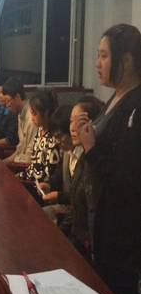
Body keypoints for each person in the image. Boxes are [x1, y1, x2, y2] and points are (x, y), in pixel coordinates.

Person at [77, 24, 141, 294]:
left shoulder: (135, 107)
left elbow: (128, 182)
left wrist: (91, 149)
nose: (97, 63)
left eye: (103, 56)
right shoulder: (115, 99)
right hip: (99, 230)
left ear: (127, 61)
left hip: (121, 238)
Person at [40, 98, 103, 256]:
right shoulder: (73, 153)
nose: (73, 128)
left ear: (94, 125)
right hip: (76, 230)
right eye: (71, 121)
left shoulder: (93, 158)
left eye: (79, 121)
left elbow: (87, 204)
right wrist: (49, 185)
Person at [17, 90, 61, 183]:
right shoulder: (40, 130)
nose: (32, 118)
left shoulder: (53, 138)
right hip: (31, 177)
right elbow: (34, 164)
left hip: (40, 185)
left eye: (34, 114)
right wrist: (20, 176)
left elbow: (48, 174)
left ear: (46, 113)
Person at [1, 77, 37, 164]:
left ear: (17, 97)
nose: (7, 105)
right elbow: (20, 149)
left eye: (8, 101)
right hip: (21, 161)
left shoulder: (31, 117)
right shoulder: (20, 113)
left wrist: (7, 162)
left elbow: (29, 157)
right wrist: (4, 162)